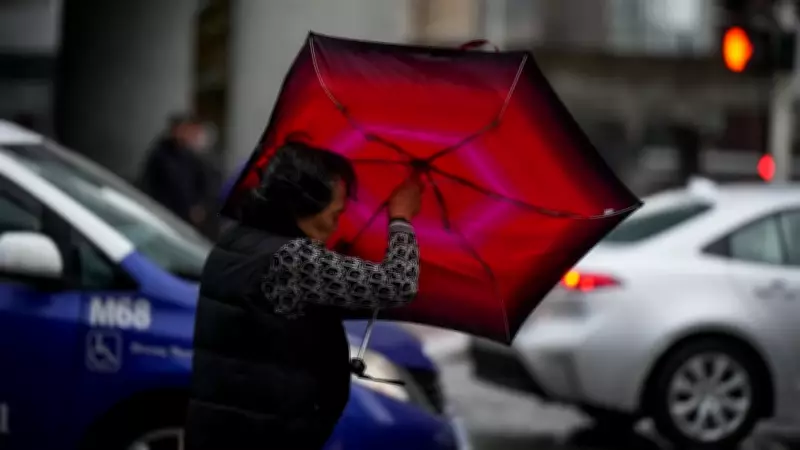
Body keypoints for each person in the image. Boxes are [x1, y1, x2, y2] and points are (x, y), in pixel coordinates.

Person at [185, 141, 423, 450]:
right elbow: (398, 283)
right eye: (335, 210)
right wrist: (401, 218)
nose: (341, 214)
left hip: (222, 429)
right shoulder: (294, 258)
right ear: (304, 204)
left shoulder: (237, 241)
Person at [139, 114, 212, 228]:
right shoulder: (160, 154)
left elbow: (203, 183)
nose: (181, 134)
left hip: (187, 216)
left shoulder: (192, 157)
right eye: (178, 130)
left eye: (184, 130)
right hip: (164, 212)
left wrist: (198, 206)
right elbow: (149, 183)